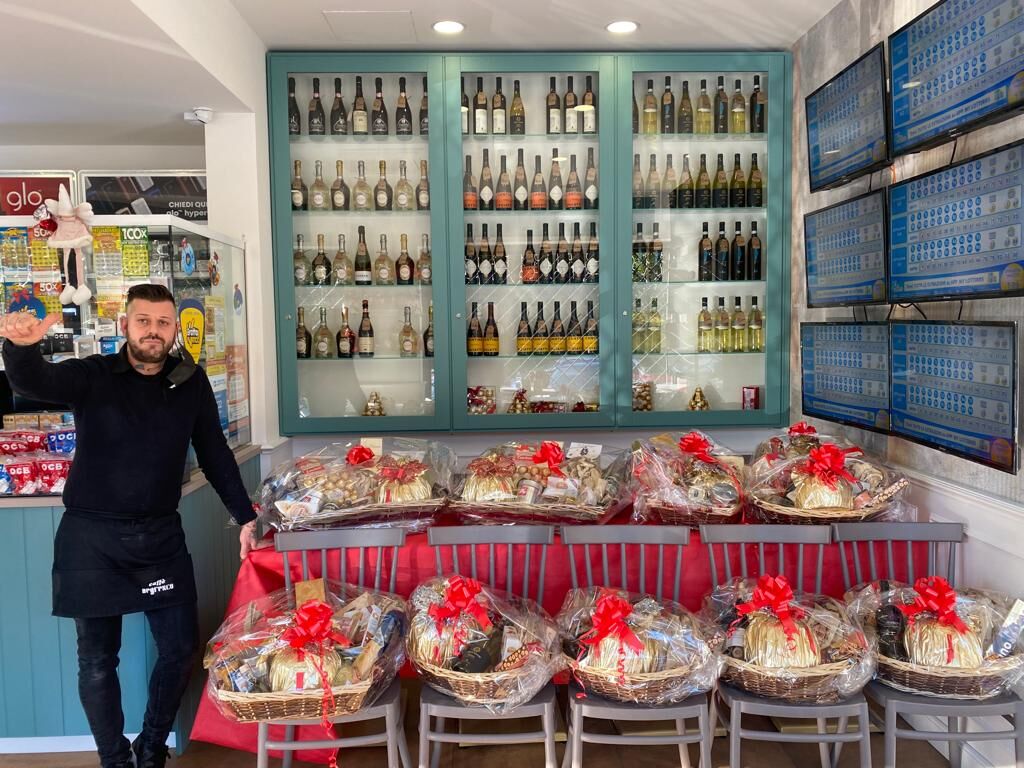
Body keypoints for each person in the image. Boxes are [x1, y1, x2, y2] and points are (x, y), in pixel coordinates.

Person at [0, 284, 258, 768]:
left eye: (163, 323)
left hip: (159, 535)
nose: (153, 332)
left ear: (174, 329)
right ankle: (115, 760)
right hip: (90, 538)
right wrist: (20, 347)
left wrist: (245, 516)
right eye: (144, 321)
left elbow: (215, 453)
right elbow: (36, 382)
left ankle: (152, 746)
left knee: (180, 649)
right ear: (125, 325)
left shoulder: (190, 381)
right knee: (97, 659)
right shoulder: (93, 374)